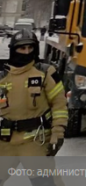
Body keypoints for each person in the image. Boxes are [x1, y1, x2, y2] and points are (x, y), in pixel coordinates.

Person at [0, 29, 67, 185]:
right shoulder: (2, 77)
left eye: (30, 48)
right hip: (5, 142)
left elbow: (59, 104)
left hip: (36, 141)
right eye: (22, 48)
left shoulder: (45, 72)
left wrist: (58, 133)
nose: (26, 52)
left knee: (46, 183)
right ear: (13, 50)